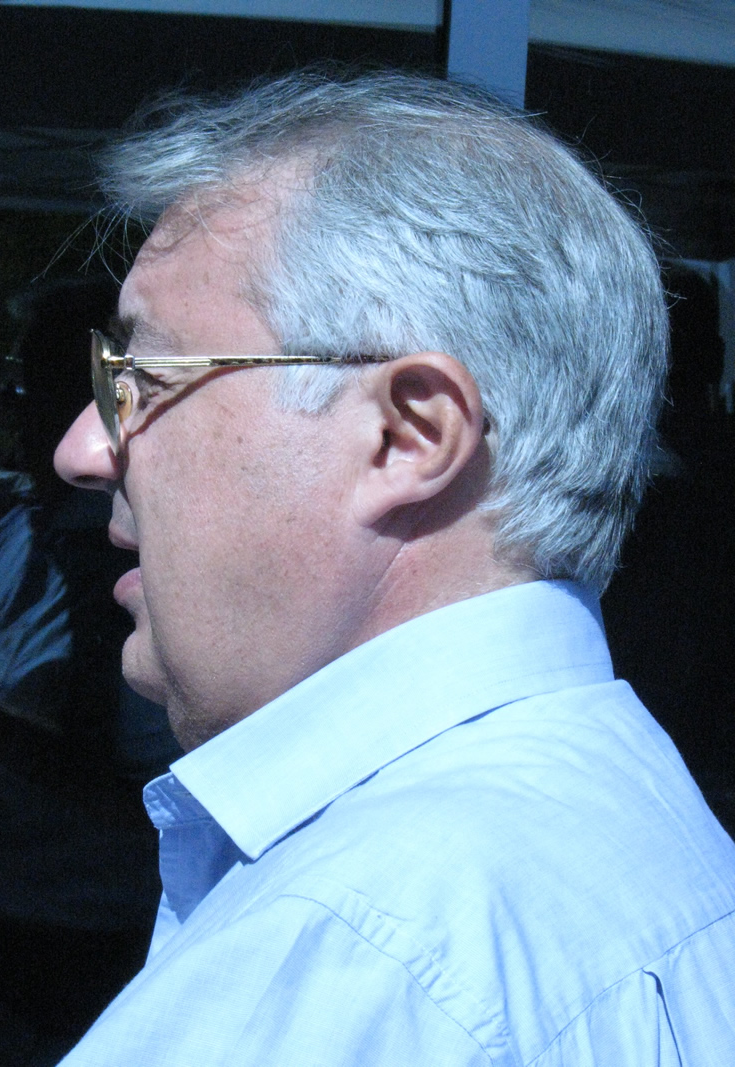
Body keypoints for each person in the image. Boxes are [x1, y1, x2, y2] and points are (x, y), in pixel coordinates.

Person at [53, 70, 735, 1066]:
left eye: (144, 379)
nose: (83, 448)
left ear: (408, 435)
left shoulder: (345, 955)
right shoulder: (637, 825)